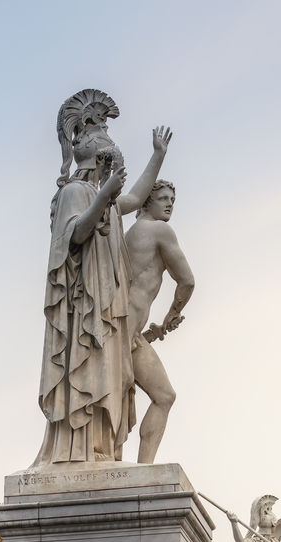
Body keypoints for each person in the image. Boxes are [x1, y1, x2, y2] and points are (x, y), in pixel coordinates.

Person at [35, 88, 172, 466]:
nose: (113, 177)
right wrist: (102, 197)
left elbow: (135, 196)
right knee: (89, 375)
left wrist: (157, 157)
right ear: (99, 164)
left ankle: (102, 450)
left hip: (105, 312)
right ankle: (78, 450)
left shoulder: (108, 204)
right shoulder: (77, 192)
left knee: (108, 379)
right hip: (84, 313)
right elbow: (75, 234)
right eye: (109, 168)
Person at [122, 181, 195, 463]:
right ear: (146, 202)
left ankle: (141, 471)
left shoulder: (131, 233)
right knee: (163, 396)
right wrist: (172, 314)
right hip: (124, 333)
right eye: (163, 198)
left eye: (173, 200)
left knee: (163, 396)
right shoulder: (159, 230)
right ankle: (144, 467)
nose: (169, 204)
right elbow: (187, 281)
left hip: (128, 331)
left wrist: (159, 328)